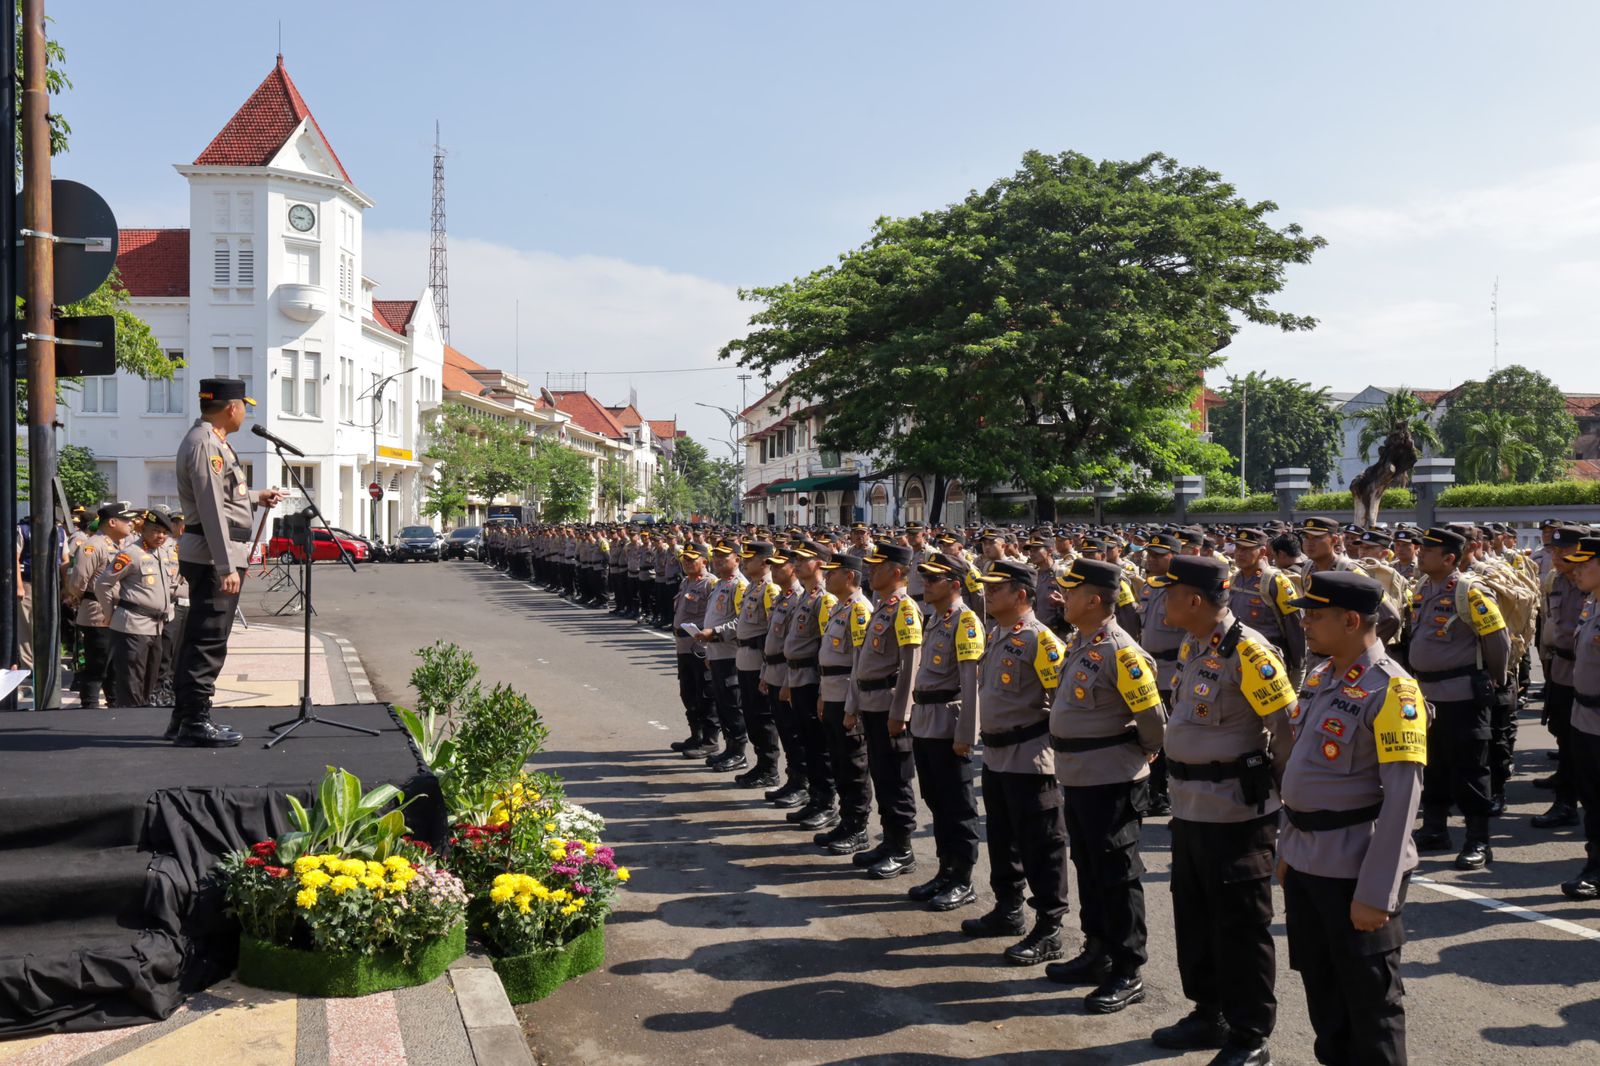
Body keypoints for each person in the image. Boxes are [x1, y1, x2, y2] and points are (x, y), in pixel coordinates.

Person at [1151, 556, 1296, 1065]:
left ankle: (1250, 1034)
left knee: (1240, 926)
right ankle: (1208, 1012)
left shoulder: (1250, 653)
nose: (1160, 601)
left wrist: (1287, 812)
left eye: (1168, 592)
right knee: (1194, 917)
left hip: (1236, 813)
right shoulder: (1195, 644)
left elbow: (1284, 732)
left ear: (1194, 598)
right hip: (1190, 809)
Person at [1278, 570, 1426, 1066]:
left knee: (1371, 1006)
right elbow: (1301, 771)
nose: (1305, 625)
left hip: (1354, 871)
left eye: (1314, 616)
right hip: (1306, 862)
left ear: (1350, 620)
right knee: (1325, 996)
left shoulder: (1393, 691)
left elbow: (1403, 799)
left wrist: (1376, 892)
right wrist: (1286, 850)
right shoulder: (1322, 676)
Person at [1047, 558, 1167, 1014]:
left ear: (1094, 600)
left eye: (1071, 592)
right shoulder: (1083, 642)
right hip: (1080, 777)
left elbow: (1154, 720)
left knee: (1118, 875)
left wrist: (1147, 752)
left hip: (1112, 780)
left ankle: (1126, 967)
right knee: (1090, 867)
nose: (1062, 598)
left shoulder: (1121, 650)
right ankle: (1097, 950)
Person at [960, 559, 1072, 966]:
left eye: (996, 588)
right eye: (987, 587)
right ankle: (1008, 908)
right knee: (1004, 837)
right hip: (997, 755)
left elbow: (1061, 701)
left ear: (1021, 595)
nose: (987, 594)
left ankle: (1050, 927)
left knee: (1042, 844)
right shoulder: (998, 633)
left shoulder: (1042, 641)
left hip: (1030, 757)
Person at [172, 378, 285, 746]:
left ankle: (183, 718)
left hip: (210, 551)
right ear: (230, 408)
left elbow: (224, 495)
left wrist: (254, 497)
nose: (245, 413)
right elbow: (209, 507)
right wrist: (225, 567)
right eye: (243, 406)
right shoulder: (206, 444)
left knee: (201, 638)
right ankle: (194, 721)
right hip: (211, 555)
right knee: (209, 640)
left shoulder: (210, 441)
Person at [1407, 527, 1510, 869]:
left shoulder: (1470, 591)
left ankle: (1478, 840)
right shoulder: (1423, 587)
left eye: (1427, 551)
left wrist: (1496, 679)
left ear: (1449, 558)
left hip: (1462, 695)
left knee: (1470, 770)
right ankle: (1435, 829)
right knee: (1432, 766)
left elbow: (1498, 640)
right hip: (1426, 696)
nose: (1419, 554)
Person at [905, 552, 984, 910]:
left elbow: (970, 683)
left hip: (948, 721)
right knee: (936, 800)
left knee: (958, 805)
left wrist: (967, 733)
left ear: (954, 585)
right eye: (925, 577)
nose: (926, 583)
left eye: (933, 579)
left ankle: (963, 878)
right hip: (926, 719)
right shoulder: (935, 618)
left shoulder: (965, 621)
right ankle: (945, 869)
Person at [848, 542, 924, 878]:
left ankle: (903, 848)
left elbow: (910, 664)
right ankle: (890, 840)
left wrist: (902, 712)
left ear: (896, 571)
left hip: (890, 705)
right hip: (873, 703)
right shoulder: (883, 607)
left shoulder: (905, 609)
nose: (870, 571)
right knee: (881, 773)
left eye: (877, 567)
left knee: (895, 778)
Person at [815, 553, 876, 853]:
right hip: (833, 692)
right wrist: (824, 695)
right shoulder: (841, 607)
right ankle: (845, 820)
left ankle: (857, 826)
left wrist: (852, 706)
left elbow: (858, 663)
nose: (826, 576)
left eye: (832, 572)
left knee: (853, 764)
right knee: (838, 760)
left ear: (849, 576)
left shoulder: (860, 610)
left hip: (848, 697)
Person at [780, 539, 840, 830]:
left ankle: (827, 803)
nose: (797, 563)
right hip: (798, 678)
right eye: (796, 559)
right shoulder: (807, 596)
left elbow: (824, 648)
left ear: (820, 563)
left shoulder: (825, 600)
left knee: (819, 745)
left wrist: (821, 690)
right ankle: (815, 798)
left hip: (813, 680)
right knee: (806, 741)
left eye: (804, 559)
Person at [96, 509, 178, 708]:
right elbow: (102, 584)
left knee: (150, 683)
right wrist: (109, 614)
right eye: (156, 531)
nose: (161, 536)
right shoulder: (131, 554)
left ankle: (141, 720)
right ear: (144, 529)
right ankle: (127, 723)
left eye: (165, 533)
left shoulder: (162, 553)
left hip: (157, 626)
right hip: (133, 626)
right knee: (131, 686)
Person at [1557, 534, 1600, 899]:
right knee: (1593, 800)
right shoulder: (1591, 605)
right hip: (1584, 716)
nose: (1578, 569)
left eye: (1586, 563)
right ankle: (1595, 864)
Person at [65, 503, 136, 708]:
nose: (130, 524)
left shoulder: (115, 545)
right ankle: (90, 705)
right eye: (126, 520)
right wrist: (77, 598)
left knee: (114, 666)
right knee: (98, 665)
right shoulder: (93, 545)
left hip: (114, 612)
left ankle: (115, 704)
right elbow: (78, 579)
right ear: (112, 522)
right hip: (97, 612)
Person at [694, 543, 750, 772]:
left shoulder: (740, 586)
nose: (717, 560)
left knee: (732, 705)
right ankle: (729, 748)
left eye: (723, 556)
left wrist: (714, 634)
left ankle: (738, 753)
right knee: (722, 704)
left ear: (736, 559)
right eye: (715, 555)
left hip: (730, 656)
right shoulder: (720, 584)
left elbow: (740, 622)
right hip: (717, 653)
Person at [669, 546, 719, 758]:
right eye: (685, 559)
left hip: (699, 649)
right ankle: (695, 734)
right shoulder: (686, 581)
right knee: (688, 693)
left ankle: (710, 740)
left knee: (705, 694)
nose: (687, 563)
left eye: (692, 559)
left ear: (704, 561)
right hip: (683, 648)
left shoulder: (710, 583)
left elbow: (713, 617)